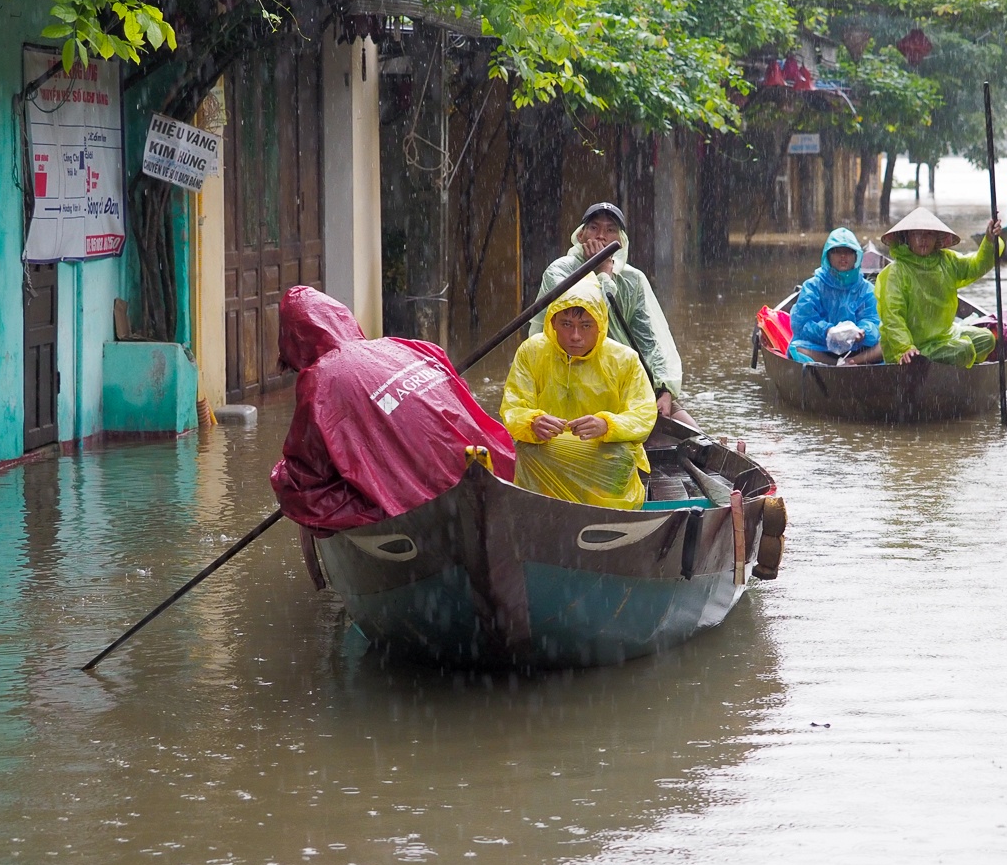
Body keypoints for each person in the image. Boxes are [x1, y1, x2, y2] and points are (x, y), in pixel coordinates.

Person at [270, 286, 517, 582]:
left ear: (294, 344)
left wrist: (284, 479)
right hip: (482, 474)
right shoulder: (408, 345)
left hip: (419, 506)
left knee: (294, 488)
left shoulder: (320, 380)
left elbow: (305, 472)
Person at [530, 202, 694, 426]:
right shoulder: (560, 271)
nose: (601, 237)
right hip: (567, 376)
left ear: (621, 241)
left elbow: (647, 342)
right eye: (594, 228)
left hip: (622, 377)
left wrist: (664, 390)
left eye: (610, 230)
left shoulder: (632, 279)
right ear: (580, 235)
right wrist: (603, 274)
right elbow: (586, 318)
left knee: (690, 430)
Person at [501, 275, 658, 509]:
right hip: (550, 449)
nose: (575, 336)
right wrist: (532, 422)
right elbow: (513, 407)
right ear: (553, 323)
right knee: (526, 449)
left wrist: (607, 425)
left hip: (601, 452)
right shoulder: (532, 351)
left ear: (601, 325)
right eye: (566, 324)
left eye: (586, 326)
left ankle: (604, 511)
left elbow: (644, 415)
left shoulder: (624, 359)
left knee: (620, 456)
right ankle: (539, 509)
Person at [876, 207, 1003, 368]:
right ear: (907, 237)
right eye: (917, 234)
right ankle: (942, 370)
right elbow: (892, 316)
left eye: (929, 234)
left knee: (987, 339)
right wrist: (904, 347)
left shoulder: (946, 261)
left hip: (943, 336)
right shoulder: (897, 271)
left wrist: (990, 241)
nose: (923, 239)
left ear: (937, 238)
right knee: (963, 350)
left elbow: (976, 266)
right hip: (914, 346)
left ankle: (948, 368)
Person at [788, 227, 883, 365]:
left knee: (888, 345)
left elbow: (874, 321)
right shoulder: (813, 286)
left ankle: (851, 362)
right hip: (822, 348)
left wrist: (861, 332)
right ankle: (835, 365)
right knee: (796, 348)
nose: (843, 256)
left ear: (856, 256)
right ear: (828, 256)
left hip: (858, 350)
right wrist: (828, 332)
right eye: (837, 252)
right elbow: (802, 324)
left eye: (848, 252)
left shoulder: (867, 289)